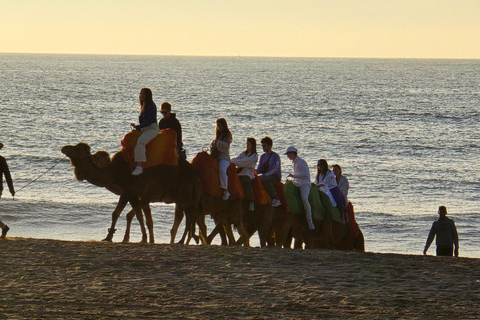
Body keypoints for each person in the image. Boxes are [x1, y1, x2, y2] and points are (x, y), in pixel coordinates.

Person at [130, 88, 159, 176]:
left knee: (141, 141)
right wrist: (137, 127)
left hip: (152, 129)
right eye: (140, 94)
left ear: (148, 95)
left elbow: (149, 121)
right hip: (145, 128)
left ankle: (139, 166)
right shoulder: (144, 106)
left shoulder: (151, 106)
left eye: (143, 94)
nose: (141, 95)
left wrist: (138, 127)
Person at [285, 146, 315, 230]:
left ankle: (310, 221)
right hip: (297, 182)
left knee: (304, 198)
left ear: (292, 153)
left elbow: (305, 173)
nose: (287, 156)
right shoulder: (293, 162)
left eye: (288, 154)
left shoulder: (301, 161)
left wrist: (294, 176)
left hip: (304, 183)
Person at [231, 137, 258, 211]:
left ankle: (251, 201)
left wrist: (232, 162)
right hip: (240, 172)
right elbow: (237, 158)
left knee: (245, 180)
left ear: (253, 145)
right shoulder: (243, 153)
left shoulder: (254, 156)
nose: (247, 145)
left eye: (249, 144)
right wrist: (231, 160)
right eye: (247, 144)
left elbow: (244, 162)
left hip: (248, 173)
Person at [210, 118, 232, 201]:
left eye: (220, 125)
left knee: (222, 170)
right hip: (216, 157)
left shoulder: (228, 135)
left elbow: (226, 146)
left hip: (224, 157)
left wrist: (217, 142)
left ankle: (225, 190)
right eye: (217, 126)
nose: (218, 127)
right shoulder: (218, 135)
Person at [256, 137, 282, 207]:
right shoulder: (262, 157)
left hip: (275, 177)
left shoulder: (275, 156)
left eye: (264, 146)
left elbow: (275, 170)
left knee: (265, 180)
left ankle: (275, 198)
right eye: (262, 146)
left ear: (270, 146)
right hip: (266, 176)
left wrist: (264, 175)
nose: (263, 148)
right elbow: (259, 169)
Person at [0, 142, 15, 238]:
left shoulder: (1, 160)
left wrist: (11, 189)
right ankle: (4, 227)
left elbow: (7, 175)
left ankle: (4, 227)